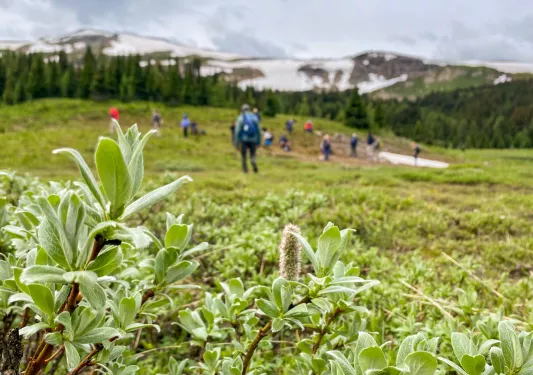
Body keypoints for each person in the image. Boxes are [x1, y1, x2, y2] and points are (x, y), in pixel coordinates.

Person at [234, 104, 261, 173]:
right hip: (253, 140)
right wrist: (258, 142)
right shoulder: (255, 117)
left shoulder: (241, 117)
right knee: (252, 154)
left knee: (244, 155)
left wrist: (236, 143)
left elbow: (237, 131)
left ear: (242, 110)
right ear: (249, 109)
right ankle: (253, 161)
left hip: (244, 140)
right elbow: (259, 131)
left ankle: (245, 170)